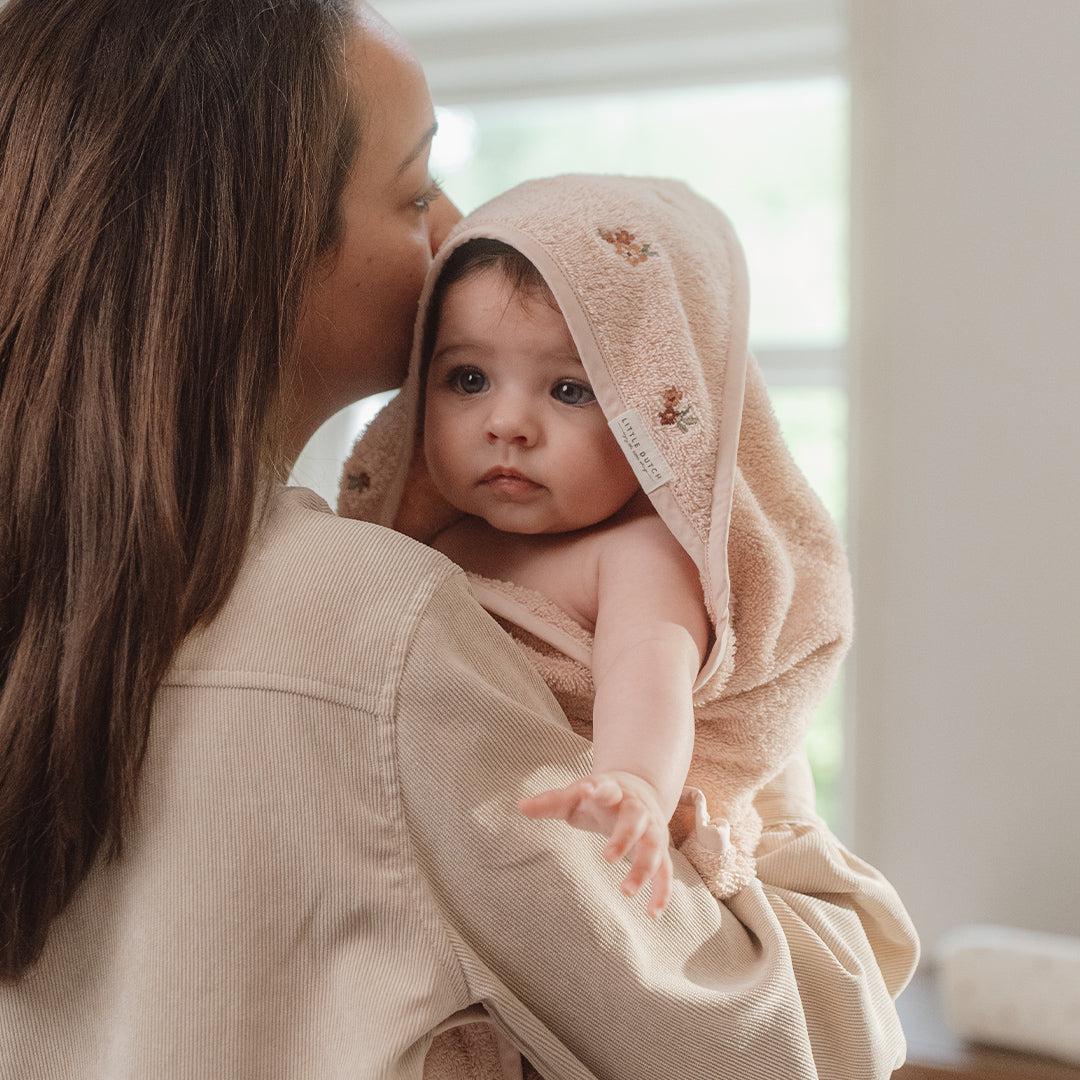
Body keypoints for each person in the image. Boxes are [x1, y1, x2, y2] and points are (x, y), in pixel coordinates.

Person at [0, 3, 919, 1080]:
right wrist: (749, 775)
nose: (453, 227)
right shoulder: (383, 628)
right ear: (263, 242)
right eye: (414, 187)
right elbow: (784, 1046)